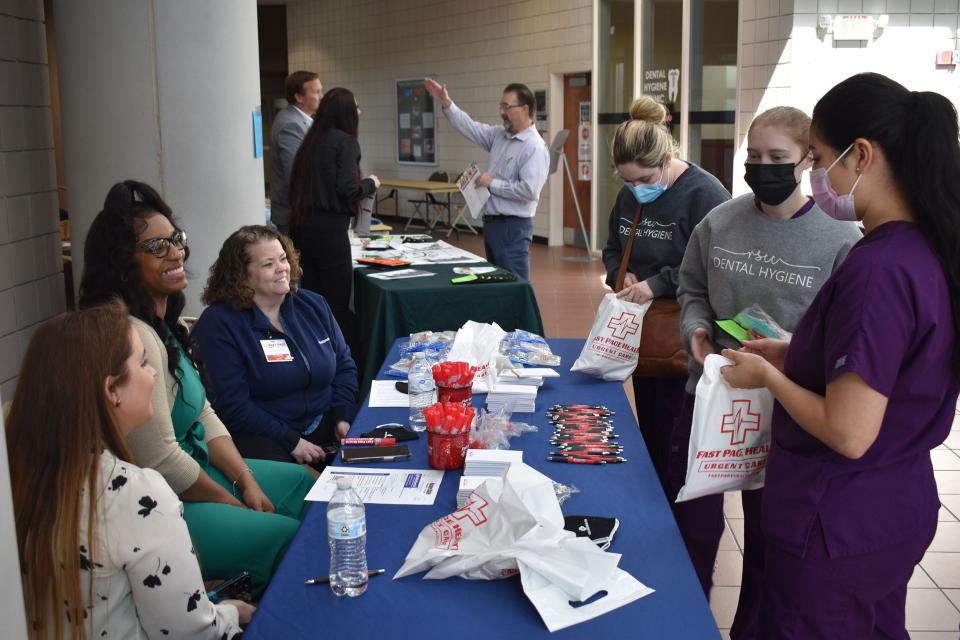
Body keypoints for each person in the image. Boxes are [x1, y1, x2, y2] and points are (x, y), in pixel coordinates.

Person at [720, 73, 960, 638]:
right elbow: (892, 367)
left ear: (862, 156)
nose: (813, 177)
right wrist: (795, 353)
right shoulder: (926, 249)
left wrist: (766, 378)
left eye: (819, 159)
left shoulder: (877, 270)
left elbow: (849, 431)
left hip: (834, 518)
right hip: (892, 504)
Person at [78, 180, 315, 597]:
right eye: (156, 247)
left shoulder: (163, 328)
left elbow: (204, 412)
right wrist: (232, 499)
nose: (175, 253)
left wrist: (243, 477)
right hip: (160, 501)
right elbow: (161, 459)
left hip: (198, 468)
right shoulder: (130, 335)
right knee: (288, 537)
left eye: (175, 239)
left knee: (304, 486)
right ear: (122, 263)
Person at [675, 106, 862, 636]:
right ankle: (688, 623)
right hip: (711, 397)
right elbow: (692, 289)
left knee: (768, 542)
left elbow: (846, 331)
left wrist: (791, 348)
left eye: (777, 158)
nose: (762, 167)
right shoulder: (720, 222)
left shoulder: (841, 240)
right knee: (692, 530)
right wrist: (695, 331)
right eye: (753, 156)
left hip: (784, 410)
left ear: (807, 160)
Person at [6, 301, 252, 639]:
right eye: (144, 363)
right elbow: (192, 633)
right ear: (111, 390)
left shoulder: (20, 474)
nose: (153, 374)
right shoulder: (133, 492)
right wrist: (229, 613)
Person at [601, 95, 729, 499]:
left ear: (666, 158)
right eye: (627, 181)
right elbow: (612, 248)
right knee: (652, 425)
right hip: (642, 333)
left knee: (680, 434)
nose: (636, 189)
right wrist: (621, 274)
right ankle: (654, 498)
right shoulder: (628, 196)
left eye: (644, 179)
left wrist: (657, 284)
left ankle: (679, 508)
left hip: (684, 334)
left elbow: (714, 263)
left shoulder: (704, 194)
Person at [191, 225, 359, 473]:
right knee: (314, 494)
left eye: (283, 259)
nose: (282, 268)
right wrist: (291, 441)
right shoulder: (219, 324)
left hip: (326, 425)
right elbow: (233, 406)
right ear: (241, 274)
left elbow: (344, 366)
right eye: (268, 264)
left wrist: (343, 416)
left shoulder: (313, 305)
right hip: (262, 435)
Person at [424, 77, 549, 280]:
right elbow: (470, 127)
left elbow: (529, 191)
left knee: (514, 284)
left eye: (507, 106)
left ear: (525, 109)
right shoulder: (500, 135)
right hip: (492, 224)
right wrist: (447, 103)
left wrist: (493, 183)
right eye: (501, 106)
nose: (502, 112)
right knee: (497, 282)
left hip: (512, 227)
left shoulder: (534, 147)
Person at [289, 87, 379, 337]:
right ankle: (338, 358)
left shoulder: (310, 141)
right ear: (347, 113)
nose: (360, 112)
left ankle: (312, 349)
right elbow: (347, 190)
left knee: (310, 296)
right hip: (329, 231)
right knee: (335, 301)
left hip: (302, 227)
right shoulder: (346, 142)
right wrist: (371, 183)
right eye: (356, 107)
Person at [269, 70, 322, 233]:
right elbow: (296, 172)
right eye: (316, 92)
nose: (321, 96)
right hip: (294, 216)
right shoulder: (291, 124)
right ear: (299, 97)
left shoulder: (302, 120)